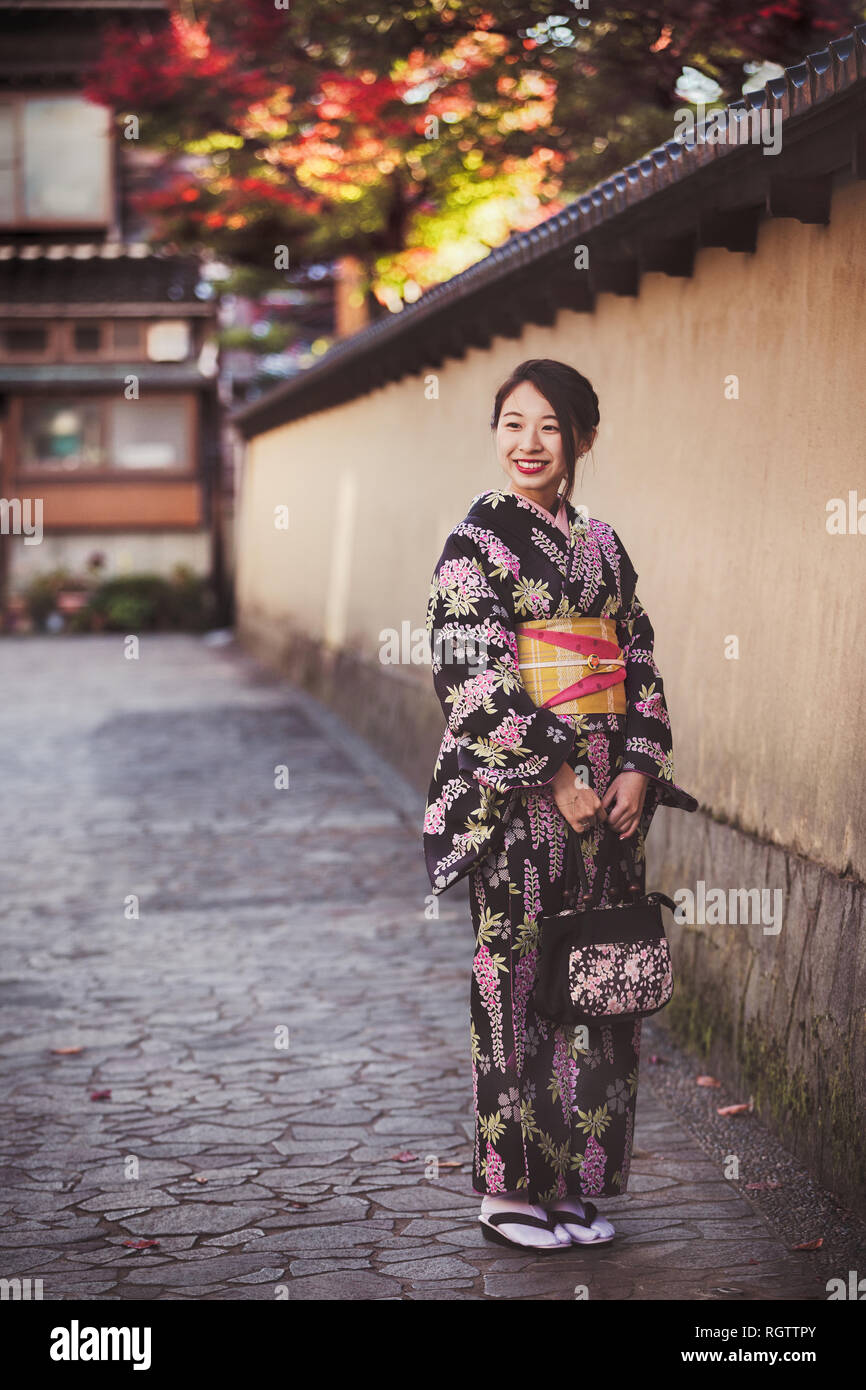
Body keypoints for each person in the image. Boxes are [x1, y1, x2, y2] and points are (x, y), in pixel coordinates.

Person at [422, 358, 697, 1252]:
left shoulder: (605, 547)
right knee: (519, 980)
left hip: (610, 800)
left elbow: (638, 659)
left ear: (582, 437)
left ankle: (580, 1183)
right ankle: (511, 1190)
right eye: (511, 423)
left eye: (548, 426)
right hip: (523, 804)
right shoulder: (475, 544)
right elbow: (471, 676)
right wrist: (560, 776)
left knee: (601, 978)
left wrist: (638, 769)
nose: (528, 443)